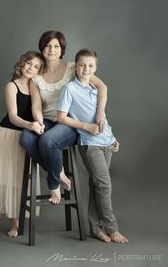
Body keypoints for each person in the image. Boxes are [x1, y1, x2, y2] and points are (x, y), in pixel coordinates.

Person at [20, 30, 107, 204]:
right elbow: (36, 105)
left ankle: (54, 185)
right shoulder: (36, 76)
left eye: (56, 46)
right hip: (47, 120)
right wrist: (38, 122)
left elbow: (102, 87)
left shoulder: (72, 68)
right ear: (42, 48)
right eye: (48, 45)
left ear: (62, 49)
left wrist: (100, 112)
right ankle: (59, 172)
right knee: (26, 138)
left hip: (69, 122)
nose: (51, 49)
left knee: (48, 141)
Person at [57, 48, 128, 243]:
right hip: (90, 145)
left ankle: (95, 228)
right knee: (104, 185)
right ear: (75, 66)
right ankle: (112, 228)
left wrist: (112, 138)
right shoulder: (70, 89)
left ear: (95, 68)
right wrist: (85, 126)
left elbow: (102, 118)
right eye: (82, 65)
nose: (86, 69)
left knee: (96, 185)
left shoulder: (95, 89)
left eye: (90, 66)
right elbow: (61, 118)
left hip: (107, 142)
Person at [0, 51, 44, 237]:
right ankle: (14, 222)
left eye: (36, 67)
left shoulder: (36, 86)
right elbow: (13, 116)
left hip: (27, 134)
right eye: (29, 63)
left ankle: (4, 210)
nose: (31, 68)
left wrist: (39, 124)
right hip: (10, 133)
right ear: (22, 63)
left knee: (21, 177)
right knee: (10, 176)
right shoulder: (12, 85)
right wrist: (30, 125)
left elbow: (38, 109)